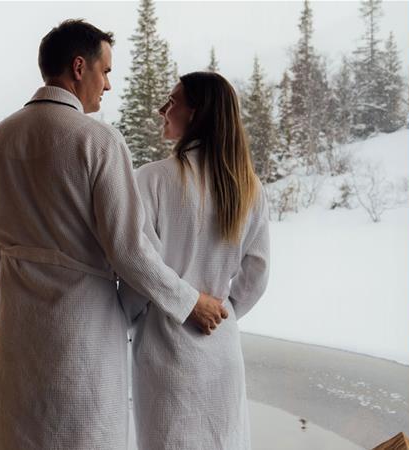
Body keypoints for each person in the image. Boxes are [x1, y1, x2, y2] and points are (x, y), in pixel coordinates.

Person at [0, 20, 226, 450]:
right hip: (82, 333)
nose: (108, 85)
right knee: (83, 434)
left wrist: (22, 287)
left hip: (16, 329)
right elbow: (130, 250)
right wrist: (190, 302)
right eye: (105, 71)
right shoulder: (98, 141)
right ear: (78, 67)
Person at [120, 72, 270, 450]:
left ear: (197, 112)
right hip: (221, 349)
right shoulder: (247, 187)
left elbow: (139, 265)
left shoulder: (152, 180)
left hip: (165, 349)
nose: (161, 110)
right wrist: (225, 312)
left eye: (171, 101)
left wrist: (136, 315)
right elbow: (257, 273)